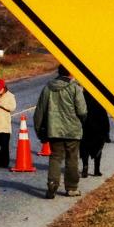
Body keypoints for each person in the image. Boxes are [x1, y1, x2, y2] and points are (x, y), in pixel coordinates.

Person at [33, 64, 87, 197]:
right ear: (71, 73)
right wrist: (82, 122)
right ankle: (71, 188)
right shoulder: (75, 88)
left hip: (54, 130)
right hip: (73, 131)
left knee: (55, 158)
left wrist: (39, 131)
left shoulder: (47, 88)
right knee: (72, 159)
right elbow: (82, 111)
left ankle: (52, 185)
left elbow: (39, 112)